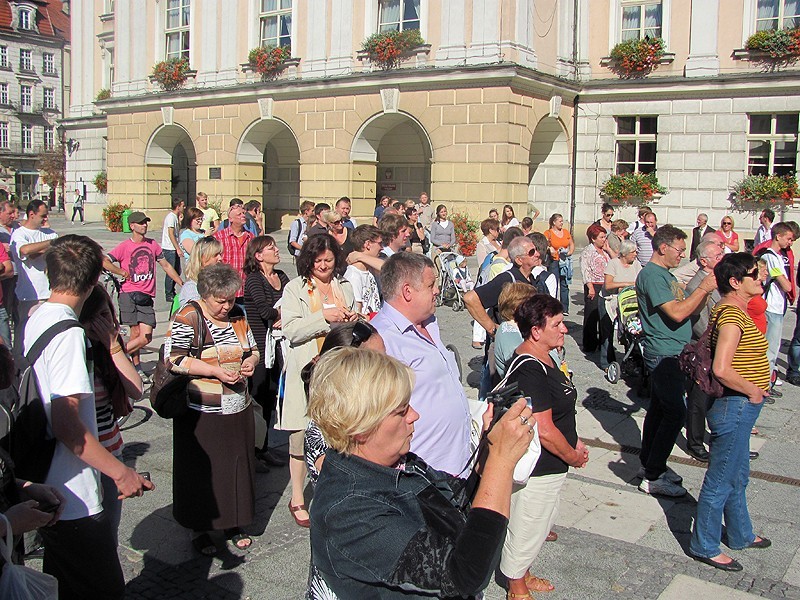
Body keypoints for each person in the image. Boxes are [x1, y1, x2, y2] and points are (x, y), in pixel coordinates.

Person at [308, 346, 535, 599]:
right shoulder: (349, 511)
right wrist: (501, 463)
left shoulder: (395, 462)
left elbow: (458, 505)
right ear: (360, 427)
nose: (414, 415)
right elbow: (464, 575)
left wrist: (488, 455)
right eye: (401, 411)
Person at [27, 235, 152, 598]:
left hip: (50, 482)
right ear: (95, 278)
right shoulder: (68, 334)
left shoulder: (38, 317)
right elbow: (69, 425)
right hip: (74, 494)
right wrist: (120, 472)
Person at [167, 264, 258, 556]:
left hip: (236, 406)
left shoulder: (238, 315)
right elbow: (176, 360)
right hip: (201, 409)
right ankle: (200, 527)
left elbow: (253, 349)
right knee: (201, 470)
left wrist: (251, 362)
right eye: (221, 301)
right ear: (205, 295)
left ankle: (233, 522)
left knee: (235, 467)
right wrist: (214, 371)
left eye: (231, 299)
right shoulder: (189, 315)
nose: (226, 306)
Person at [501, 293, 589, 599]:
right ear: (536, 331)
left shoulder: (547, 357)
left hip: (554, 462)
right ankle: (515, 586)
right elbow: (545, 430)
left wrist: (573, 440)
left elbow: (560, 409)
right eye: (558, 324)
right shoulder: (529, 368)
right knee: (528, 526)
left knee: (541, 522)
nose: (564, 329)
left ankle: (522, 572)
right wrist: (573, 455)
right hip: (539, 465)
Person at [689, 253, 771, 572]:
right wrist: (752, 390)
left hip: (740, 407)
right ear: (736, 282)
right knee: (721, 478)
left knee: (738, 475)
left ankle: (739, 533)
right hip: (734, 406)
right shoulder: (732, 316)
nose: (760, 278)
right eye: (754, 274)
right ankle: (705, 544)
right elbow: (721, 368)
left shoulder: (737, 310)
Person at [279, 234, 355, 528]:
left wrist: (350, 316)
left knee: (338, 434)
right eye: (318, 260)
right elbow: (291, 330)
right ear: (308, 261)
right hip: (308, 371)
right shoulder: (294, 289)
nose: (323, 266)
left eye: (329, 260)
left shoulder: (343, 286)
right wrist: (324, 317)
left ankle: (334, 489)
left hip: (339, 372)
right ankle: (297, 496)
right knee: (300, 435)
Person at [635, 225, 717, 497]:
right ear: (663, 248)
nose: (682, 256)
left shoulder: (665, 275)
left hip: (675, 351)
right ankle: (653, 474)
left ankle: (651, 464)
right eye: (680, 250)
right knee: (675, 412)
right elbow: (677, 313)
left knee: (659, 410)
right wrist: (703, 287)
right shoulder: (653, 276)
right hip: (663, 352)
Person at [372, 252, 471, 474]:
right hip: (421, 475)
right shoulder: (381, 338)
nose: (437, 290)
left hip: (458, 465)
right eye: (430, 285)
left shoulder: (430, 322)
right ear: (408, 291)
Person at [79, 285, 144, 544]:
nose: (107, 323)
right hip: (83, 454)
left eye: (109, 315)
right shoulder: (76, 349)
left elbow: (136, 389)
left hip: (111, 447)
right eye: (99, 317)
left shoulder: (110, 349)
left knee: (108, 532)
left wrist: (113, 347)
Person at [106, 211, 183, 381]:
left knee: (146, 336)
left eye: (146, 223)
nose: (144, 225)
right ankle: (136, 367)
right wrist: (120, 271)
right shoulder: (124, 246)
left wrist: (181, 283)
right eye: (141, 223)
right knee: (135, 334)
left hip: (146, 295)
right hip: (129, 293)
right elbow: (104, 260)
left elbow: (166, 265)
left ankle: (113, 356)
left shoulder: (152, 245)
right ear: (132, 226)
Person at [243, 236, 290, 467]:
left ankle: (263, 448)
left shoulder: (281, 276)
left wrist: (285, 314)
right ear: (259, 255)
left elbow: (293, 301)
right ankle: (252, 451)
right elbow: (263, 311)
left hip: (279, 346)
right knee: (258, 397)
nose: (276, 249)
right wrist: (281, 314)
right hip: (260, 348)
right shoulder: (254, 279)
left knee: (271, 397)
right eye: (271, 247)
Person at [683, 240, 725, 462]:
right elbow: (700, 325)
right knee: (698, 401)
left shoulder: (719, 281)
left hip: (719, 348)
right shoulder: (695, 285)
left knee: (717, 398)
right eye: (718, 255)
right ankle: (695, 443)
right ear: (704, 261)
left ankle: (719, 439)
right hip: (704, 351)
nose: (722, 256)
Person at [9, 199, 58, 359]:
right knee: (25, 334)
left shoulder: (50, 233)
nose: (46, 220)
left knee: (48, 333)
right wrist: (49, 244)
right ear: (31, 214)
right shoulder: (20, 234)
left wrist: (43, 248)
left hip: (50, 292)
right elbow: (25, 250)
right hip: (29, 295)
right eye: (43, 216)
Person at [760, 222, 794, 390]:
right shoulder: (770, 257)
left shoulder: (778, 256)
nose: (791, 242)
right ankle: (765, 385)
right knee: (770, 349)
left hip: (778, 306)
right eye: (788, 238)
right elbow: (786, 285)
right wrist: (786, 282)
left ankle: (768, 383)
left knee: (774, 347)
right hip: (771, 307)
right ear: (778, 236)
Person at [601, 239, 642, 374]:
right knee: (607, 332)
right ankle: (606, 361)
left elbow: (640, 281)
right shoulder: (613, 264)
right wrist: (627, 284)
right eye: (633, 252)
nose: (635, 254)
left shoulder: (636, 264)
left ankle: (631, 361)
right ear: (624, 253)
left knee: (629, 331)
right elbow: (608, 285)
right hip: (609, 300)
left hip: (628, 302)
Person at [493, 282, 537, 378]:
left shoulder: (523, 327)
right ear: (517, 307)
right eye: (533, 304)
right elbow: (521, 365)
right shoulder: (508, 330)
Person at [213, 204, 254, 306]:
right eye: (239, 214)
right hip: (226, 289)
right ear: (230, 219)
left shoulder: (251, 237)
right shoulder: (219, 237)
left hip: (246, 289)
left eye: (243, 213)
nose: (243, 216)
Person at [580, 224, 610, 353]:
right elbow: (585, 269)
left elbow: (616, 262)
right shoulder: (588, 251)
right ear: (593, 238)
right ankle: (590, 344)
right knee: (592, 316)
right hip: (594, 285)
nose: (604, 239)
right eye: (601, 237)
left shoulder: (605, 251)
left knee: (605, 315)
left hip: (606, 285)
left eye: (605, 237)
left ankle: (603, 341)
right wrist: (590, 287)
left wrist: (609, 250)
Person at [344, 225, 382, 316]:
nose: (382, 248)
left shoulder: (370, 270)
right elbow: (357, 313)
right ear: (367, 244)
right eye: (380, 243)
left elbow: (389, 268)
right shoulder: (354, 275)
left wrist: (360, 256)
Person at [178, 236, 223, 307]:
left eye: (220, 254)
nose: (220, 258)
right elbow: (198, 312)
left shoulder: (219, 283)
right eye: (215, 255)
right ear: (202, 258)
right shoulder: (191, 288)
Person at [544, 213, 574, 315]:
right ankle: (553, 306)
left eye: (562, 221)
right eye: (560, 221)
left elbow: (571, 243)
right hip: (554, 261)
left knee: (564, 283)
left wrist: (570, 252)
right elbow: (545, 243)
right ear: (554, 222)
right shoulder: (548, 233)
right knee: (554, 283)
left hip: (564, 260)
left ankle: (564, 308)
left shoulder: (565, 232)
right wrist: (550, 248)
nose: (562, 223)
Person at [161, 197, 185, 303]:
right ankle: (169, 293)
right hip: (169, 248)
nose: (184, 208)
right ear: (178, 206)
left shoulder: (175, 217)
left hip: (172, 248)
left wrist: (180, 222)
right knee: (171, 271)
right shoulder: (171, 217)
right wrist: (177, 248)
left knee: (177, 270)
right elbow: (171, 233)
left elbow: (176, 231)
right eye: (182, 206)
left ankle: (172, 290)